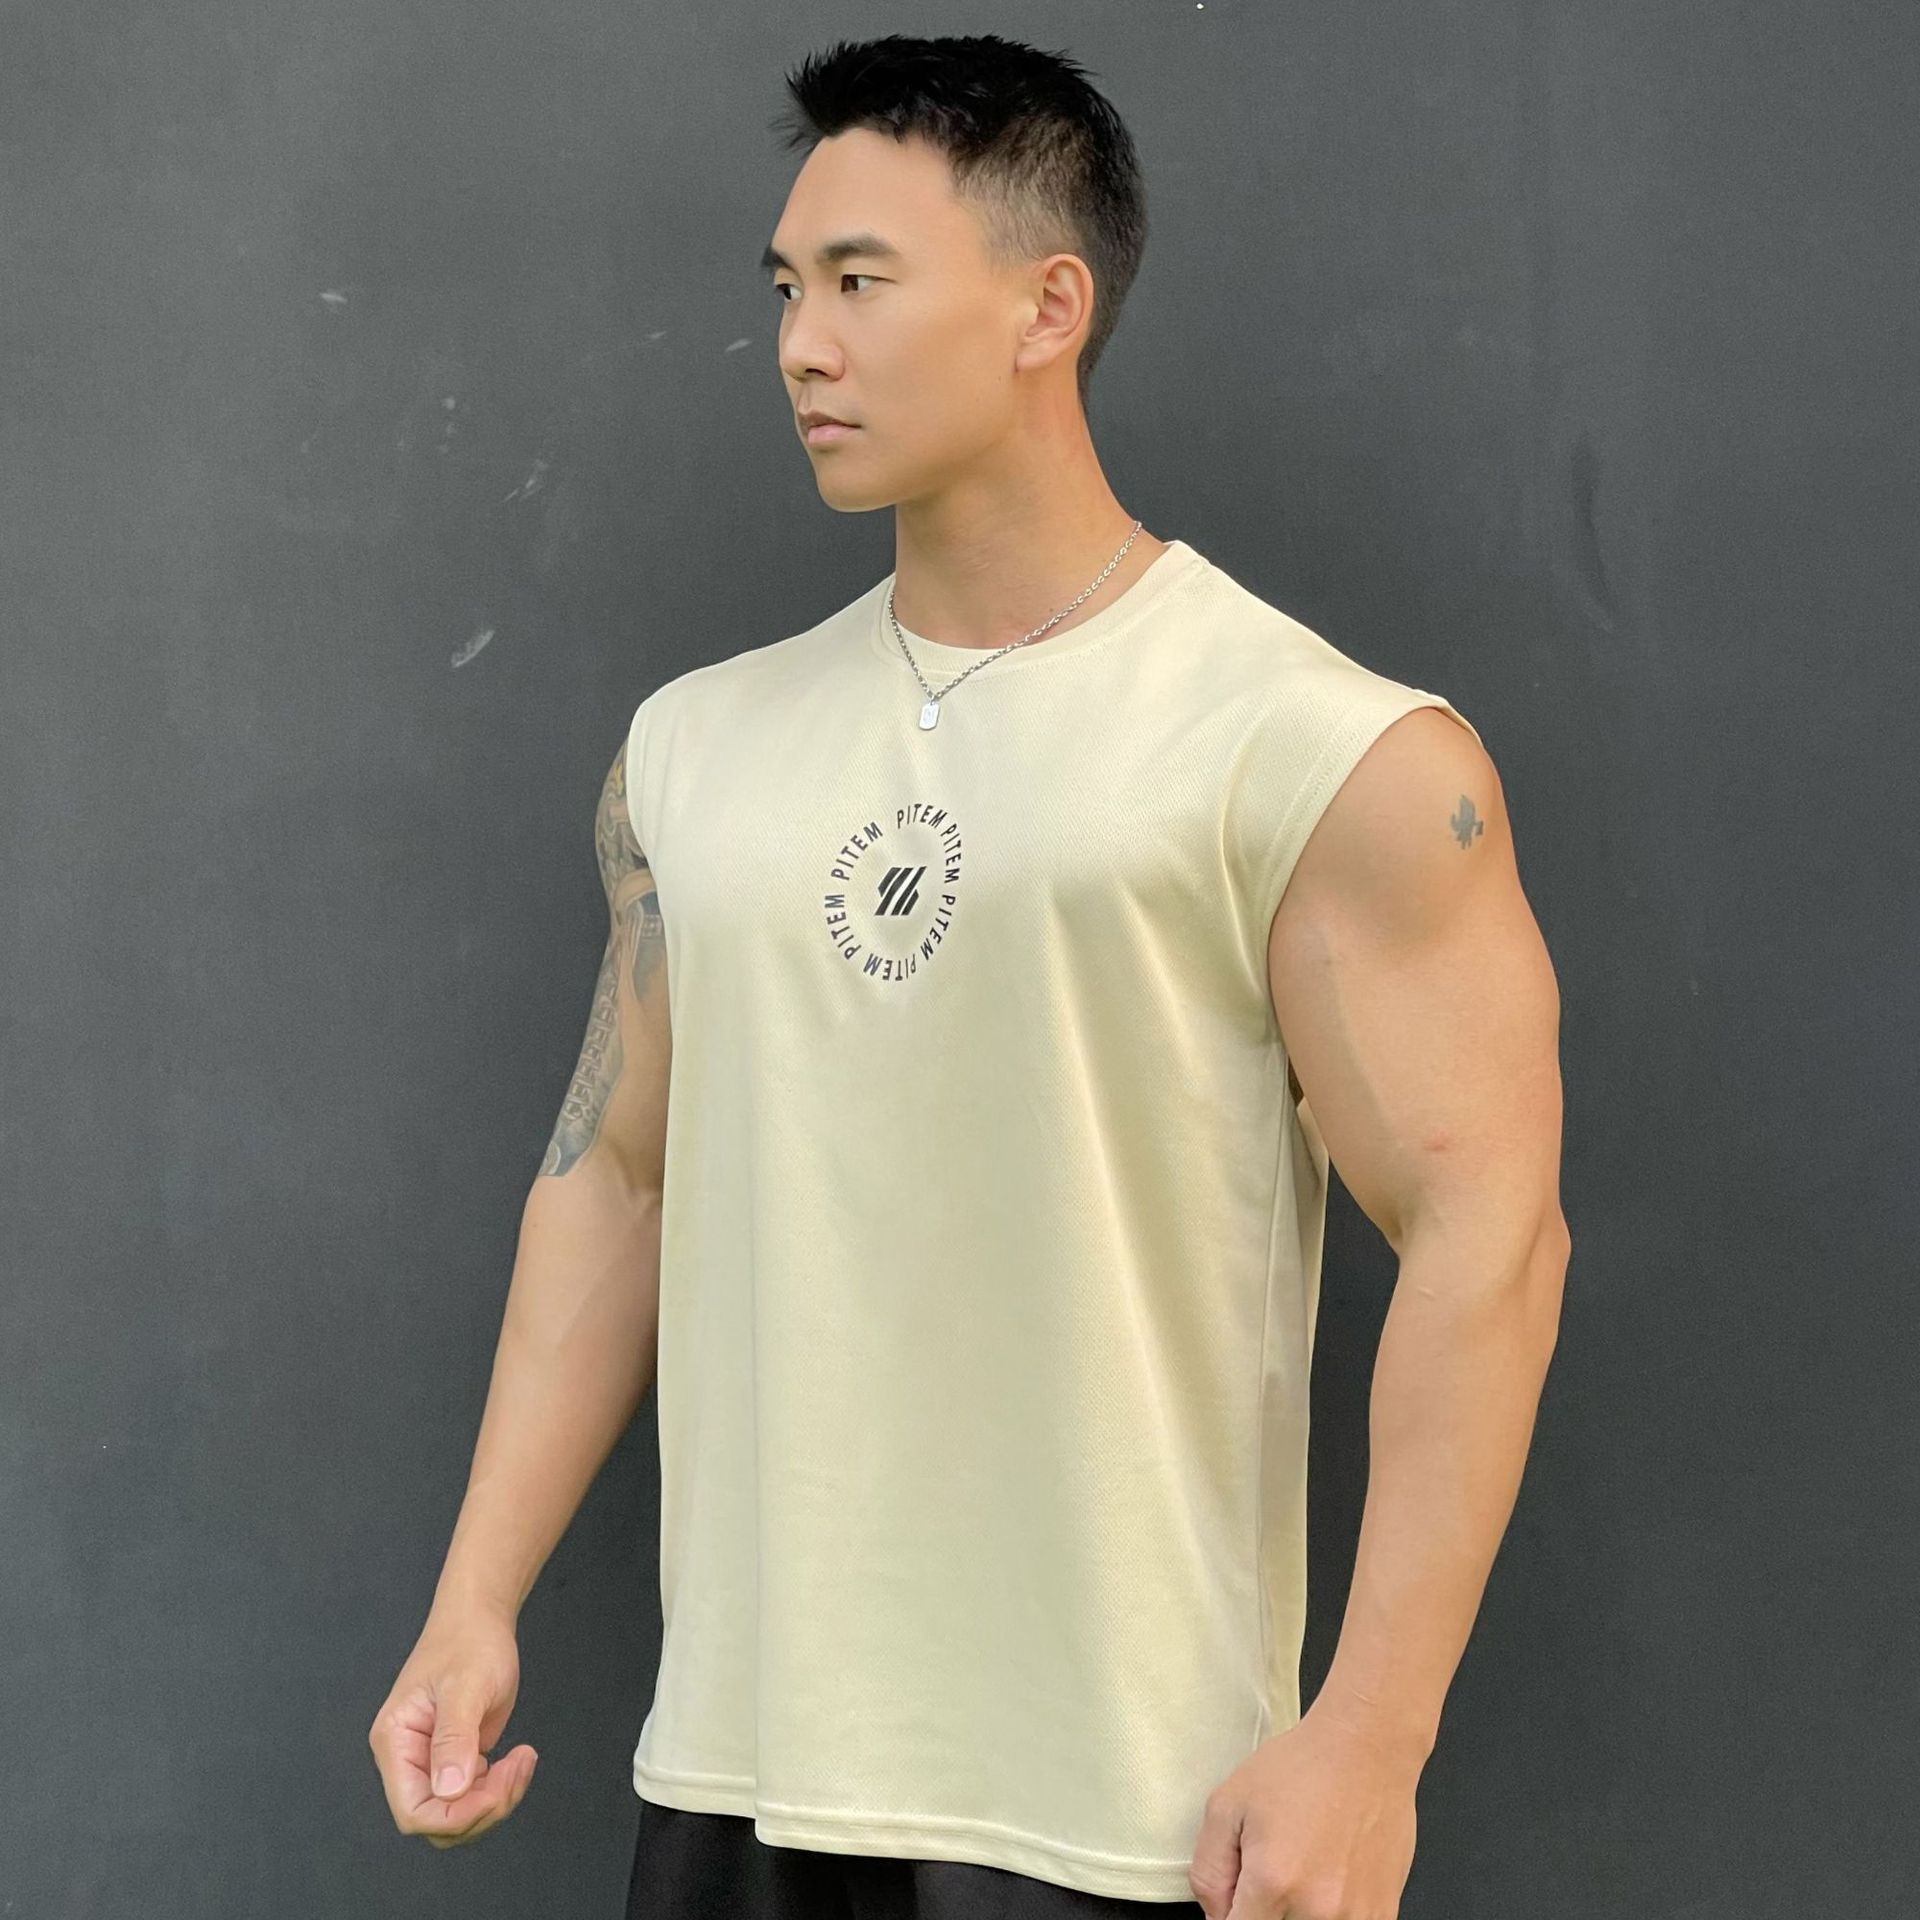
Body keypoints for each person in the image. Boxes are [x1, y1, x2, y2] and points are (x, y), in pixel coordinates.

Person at [368, 31, 1570, 1920]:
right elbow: (618, 1176)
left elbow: (1489, 1232)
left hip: (1124, 1812)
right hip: (739, 1779)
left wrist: (1371, 1736)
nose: (801, 346)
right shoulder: (695, 751)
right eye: (786, 288)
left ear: (1046, 308)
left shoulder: (1319, 751)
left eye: (860, 282)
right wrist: (473, 1597)